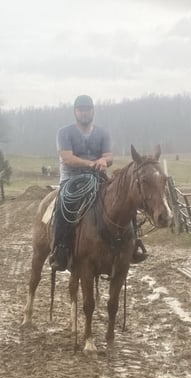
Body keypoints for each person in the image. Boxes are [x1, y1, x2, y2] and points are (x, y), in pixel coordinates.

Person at [50, 94, 146, 271]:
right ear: (75, 112)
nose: (84, 113)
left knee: (125, 200)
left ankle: (133, 244)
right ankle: (61, 249)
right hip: (71, 179)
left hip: (98, 177)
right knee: (64, 204)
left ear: (93, 111)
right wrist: (90, 163)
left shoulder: (102, 133)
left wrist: (104, 161)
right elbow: (67, 157)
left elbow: (109, 155)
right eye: (80, 110)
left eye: (87, 109)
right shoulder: (64, 132)